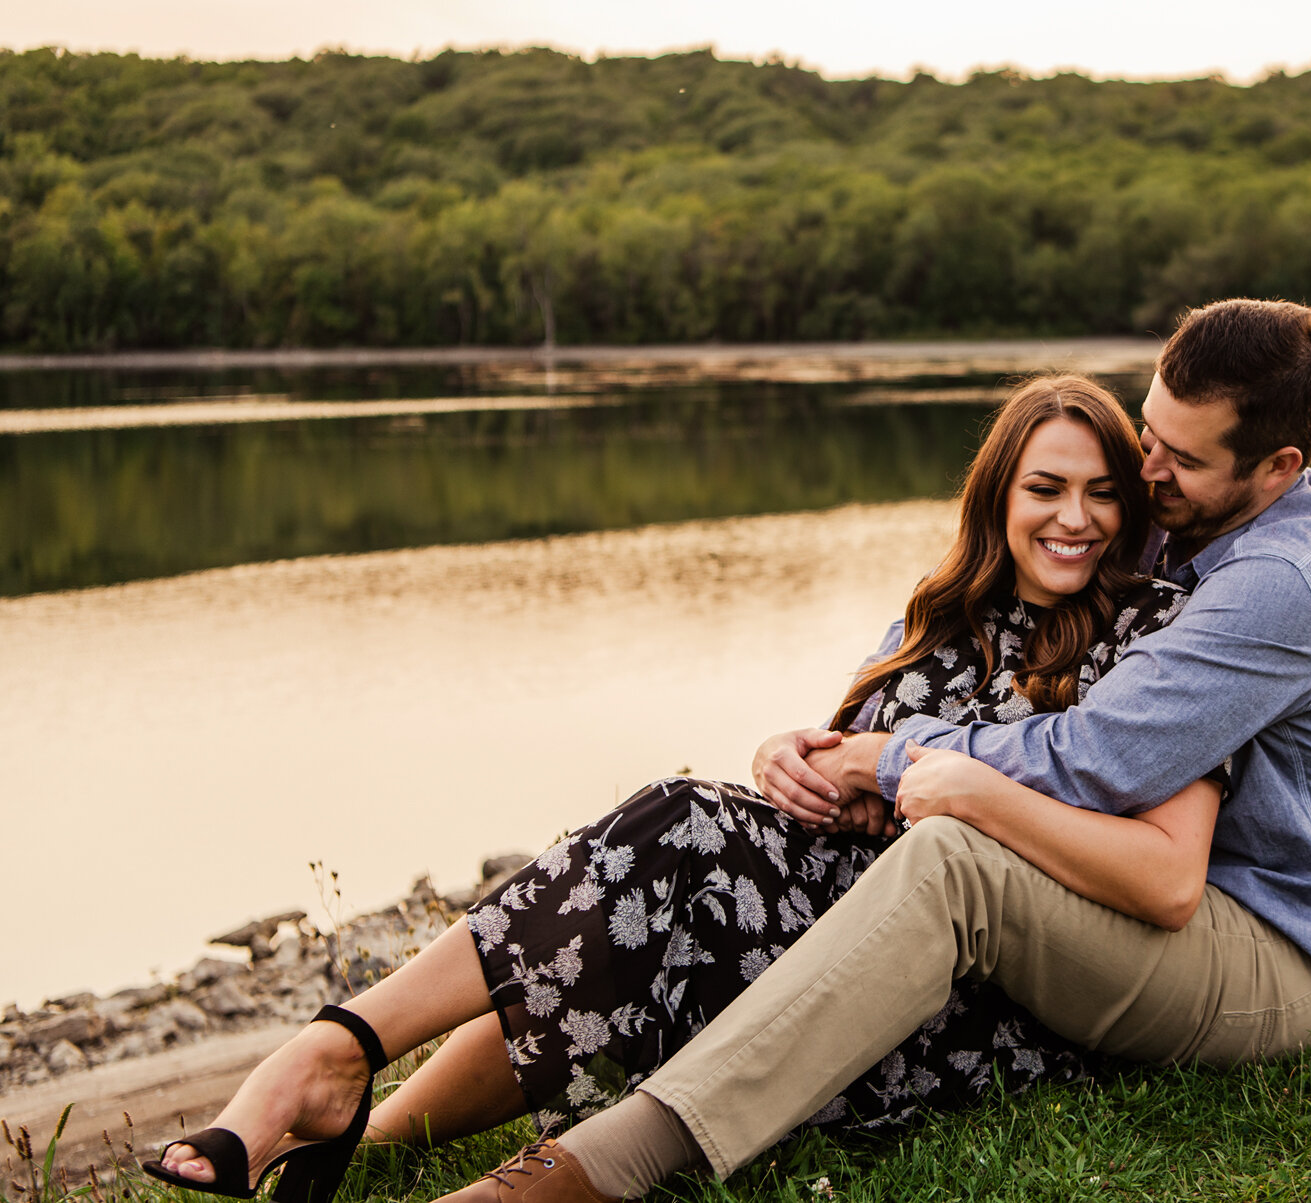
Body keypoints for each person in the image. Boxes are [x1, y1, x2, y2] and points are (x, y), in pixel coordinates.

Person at [436, 297, 1311, 1203]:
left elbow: (1091, 759)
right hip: (1177, 904)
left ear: (1277, 470)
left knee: (954, 861)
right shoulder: (1189, 526)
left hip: (1292, 961)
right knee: (721, 849)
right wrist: (824, 751)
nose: (1146, 471)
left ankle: (599, 1166)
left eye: (1180, 459)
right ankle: (372, 1115)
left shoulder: (1276, 585)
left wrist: (899, 762)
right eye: (1147, 433)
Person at [142, 374, 1217, 1203]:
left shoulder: (1155, 634)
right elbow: (835, 772)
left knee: (667, 869)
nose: (1074, 517)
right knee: (668, 856)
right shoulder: (937, 617)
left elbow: (1125, 852)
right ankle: (360, 1118)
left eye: (1099, 492)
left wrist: (907, 787)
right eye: (1045, 488)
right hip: (838, 916)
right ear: (998, 494)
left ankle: (333, 1065)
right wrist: (784, 758)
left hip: (964, 991)